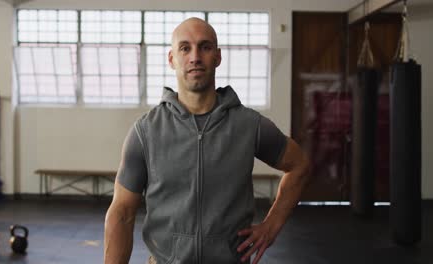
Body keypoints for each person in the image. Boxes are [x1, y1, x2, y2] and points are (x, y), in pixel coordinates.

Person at [104, 17, 310, 264]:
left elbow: (299, 165)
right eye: (185, 48)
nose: (195, 57)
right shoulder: (146, 131)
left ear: (218, 57)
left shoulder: (249, 125)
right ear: (172, 59)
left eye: (205, 46)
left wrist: (272, 225)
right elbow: (122, 212)